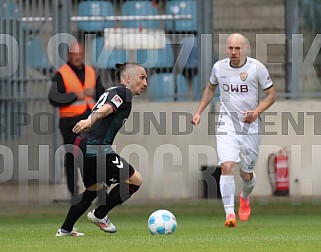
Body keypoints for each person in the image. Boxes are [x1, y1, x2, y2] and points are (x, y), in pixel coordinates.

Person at [192, 33, 276, 227]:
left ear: (245, 48)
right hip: (226, 123)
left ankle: (244, 197)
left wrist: (256, 112)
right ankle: (230, 214)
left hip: (250, 126)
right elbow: (210, 89)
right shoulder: (219, 67)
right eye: (230, 48)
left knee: (246, 174)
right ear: (226, 48)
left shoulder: (256, 68)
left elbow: (271, 95)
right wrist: (198, 112)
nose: (233, 52)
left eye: (237, 48)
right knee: (227, 165)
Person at [56, 62, 148, 236]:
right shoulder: (124, 92)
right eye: (142, 77)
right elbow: (106, 109)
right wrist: (89, 121)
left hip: (80, 145)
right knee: (135, 180)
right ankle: (100, 215)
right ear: (128, 77)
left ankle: (65, 229)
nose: (145, 83)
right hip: (96, 147)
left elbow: (105, 108)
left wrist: (89, 120)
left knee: (93, 189)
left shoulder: (111, 90)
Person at [48, 42, 105, 201]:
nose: (78, 57)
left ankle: (101, 194)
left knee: (95, 156)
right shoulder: (61, 74)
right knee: (73, 157)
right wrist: (74, 95)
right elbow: (54, 98)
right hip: (70, 123)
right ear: (68, 55)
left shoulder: (91, 72)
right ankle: (74, 194)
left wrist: (93, 92)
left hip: (91, 120)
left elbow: (102, 93)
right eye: (74, 54)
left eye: (80, 53)